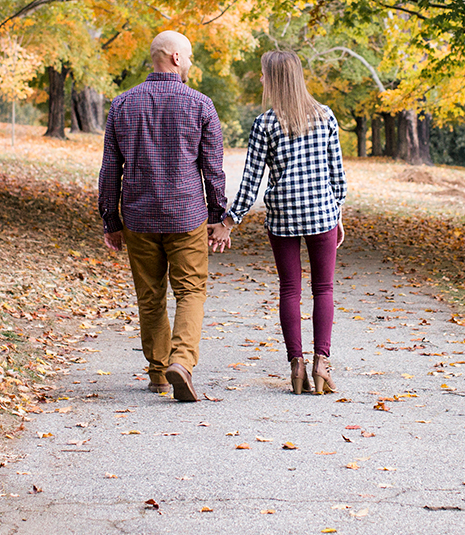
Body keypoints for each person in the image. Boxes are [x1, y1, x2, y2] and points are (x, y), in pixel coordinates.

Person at [98, 30, 230, 402]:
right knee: (190, 291)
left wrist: (111, 219)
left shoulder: (122, 105)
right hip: (186, 215)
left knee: (150, 295)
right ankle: (182, 362)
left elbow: (111, 169)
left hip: (139, 218)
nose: (189, 63)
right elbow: (213, 170)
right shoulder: (201, 105)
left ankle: (158, 373)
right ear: (174, 57)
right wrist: (219, 217)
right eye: (187, 56)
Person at [216, 50, 347, 395]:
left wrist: (230, 220)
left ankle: (296, 366)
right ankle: (321, 363)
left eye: (263, 75)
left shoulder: (264, 124)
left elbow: (251, 181)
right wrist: (338, 212)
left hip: (284, 215)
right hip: (322, 214)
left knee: (290, 289)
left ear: (274, 80)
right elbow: (338, 176)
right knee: (324, 289)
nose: (260, 80)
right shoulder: (326, 117)